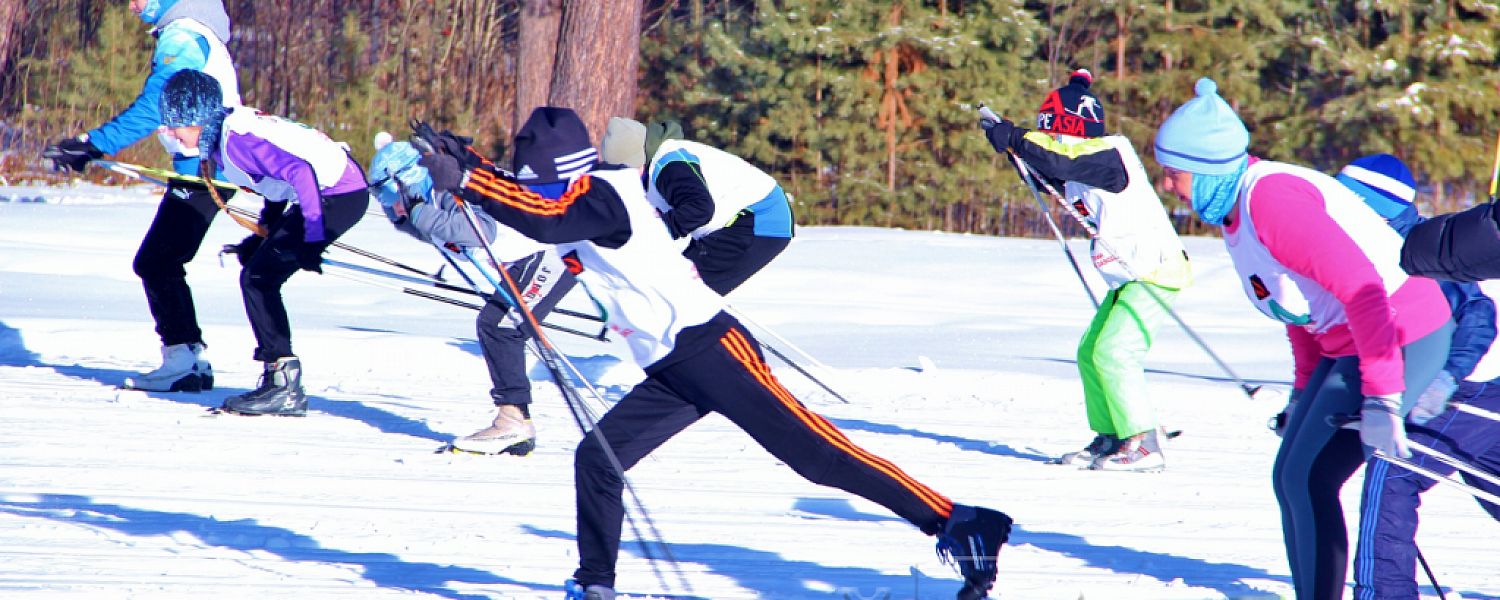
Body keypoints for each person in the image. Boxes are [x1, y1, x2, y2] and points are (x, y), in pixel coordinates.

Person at [416, 107, 1013, 600]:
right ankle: (595, 586)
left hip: (715, 350)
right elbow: (530, 201)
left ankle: (960, 521)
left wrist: (469, 179)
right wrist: (467, 163)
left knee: (822, 457)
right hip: (675, 369)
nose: (535, 189)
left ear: (566, 172)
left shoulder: (607, 194)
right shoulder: (574, 198)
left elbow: (542, 216)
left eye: (540, 180)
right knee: (597, 459)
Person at [1153, 78, 1453, 600]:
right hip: (1352, 342)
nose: (1167, 186)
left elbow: (1361, 288)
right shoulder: (1235, 211)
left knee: (1306, 480)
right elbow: (1297, 308)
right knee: (1292, 477)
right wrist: (1300, 396)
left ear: (1205, 170)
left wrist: (1384, 394)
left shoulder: (1269, 199)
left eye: (1173, 174)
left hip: (1400, 331)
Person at [979, 69, 1193, 472]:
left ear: (1064, 128)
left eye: (1051, 132)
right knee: (1091, 353)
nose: (1051, 140)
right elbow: (1048, 171)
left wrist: (1016, 137)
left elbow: (1058, 158)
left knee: (1115, 352)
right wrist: (1011, 148)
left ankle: (1144, 445)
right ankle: (1111, 437)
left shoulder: (1110, 154)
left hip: (1154, 271)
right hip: (1129, 277)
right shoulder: (1078, 166)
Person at [41, 0, 240, 392]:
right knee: (163, 260)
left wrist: (93, 143)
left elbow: (159, 103)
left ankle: (182, 358)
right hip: (202, 167)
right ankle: (189, 359)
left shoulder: (184, 33)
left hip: (202, 170)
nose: (133, 6)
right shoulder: (197, 32)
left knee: (156, 262)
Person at [157, 69, 369, 417]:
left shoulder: (235, 140)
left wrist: (313, 238)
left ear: (193, 117)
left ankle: (283, 385)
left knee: (259, 279)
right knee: (258, 271)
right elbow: (279, 180)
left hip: (334, 195)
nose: (168, 131)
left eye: (173, 122)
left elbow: (300, 172)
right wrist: (267, 229)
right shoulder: (228, 133)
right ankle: (280, 379)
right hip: (327, 193)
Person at [1336, 154, 1500, 600]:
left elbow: (1480, 315)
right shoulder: (1366, 249)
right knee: (1488, 475)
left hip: (1469, 387)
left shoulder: (1409, 249)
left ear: (1371, 206)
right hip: (1476, 388)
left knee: (1393, 472)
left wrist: (1446, 377)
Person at [367, 137, 579, 454]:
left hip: (553, 254)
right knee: (498, 326)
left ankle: (514, 423)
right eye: (383, 199)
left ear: (410, 181)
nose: (391, 206)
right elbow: (427, 227)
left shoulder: (450, 193)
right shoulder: (430, 202)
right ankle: (514, 421)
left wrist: (419, 213)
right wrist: (411, 217)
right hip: (531, 259)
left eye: (392, 195)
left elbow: (479, 230)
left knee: (500, 327)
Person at [597, 117, 795, 295]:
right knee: (668, 289)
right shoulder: (657, 161)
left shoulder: (670, 167)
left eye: (628, 168)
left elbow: (700, 209)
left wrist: (652, 233)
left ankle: (711, 334)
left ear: (640, 156)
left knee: (682, 298)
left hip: (759, 222)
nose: (626, 177)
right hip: (735, 224)